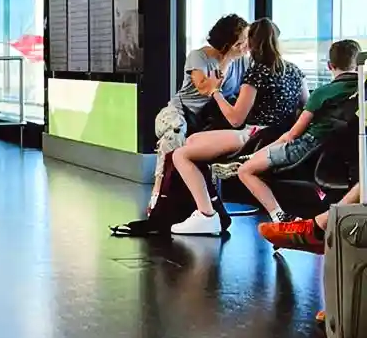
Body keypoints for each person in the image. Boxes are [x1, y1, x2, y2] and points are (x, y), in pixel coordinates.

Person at [170, 18, 307, 236]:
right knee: (192, 141)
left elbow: (235, 118)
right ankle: (209, 205)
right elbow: (304, 107)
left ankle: (207, 215)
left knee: (181, 155)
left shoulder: (256, 73)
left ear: (251, 43)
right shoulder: (295, 71)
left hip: (254, 135)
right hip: (278, 135)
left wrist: (216, 92)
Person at [235, 39, 362, 223]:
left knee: (246, 170)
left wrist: (260, 154)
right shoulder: (362, 93)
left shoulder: (322, 93)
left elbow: (293, 135)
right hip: (339, 156)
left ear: (330, 65)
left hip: (306, 148)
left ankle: (280, 217)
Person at [149, 14, 248, 206]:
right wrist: (226, 59)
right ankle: (158, 196)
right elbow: (205, 87)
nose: (244, 47)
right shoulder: (199, 56)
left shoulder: (243, 61)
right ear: (226, 44)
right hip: (181, 113)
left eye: (245, 42)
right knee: (175, 134)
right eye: (239, 43)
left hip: (210, 120)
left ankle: (203, 201)